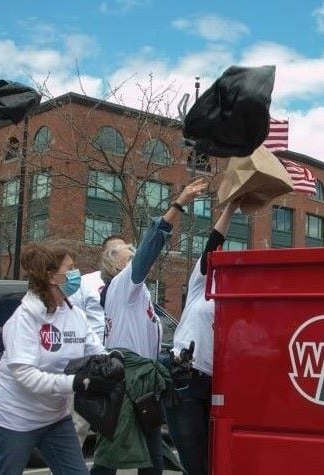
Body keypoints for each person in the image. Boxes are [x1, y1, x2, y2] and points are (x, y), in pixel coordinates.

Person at [92, 178, 207, 475]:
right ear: (115, 266)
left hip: (143, 384)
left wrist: (171, 360)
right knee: (111, 457)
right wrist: (178, 203)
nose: (136, 260)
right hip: (128, 383)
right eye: (128, 257)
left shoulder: (138, 293)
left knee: (149, 456)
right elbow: (150, 245)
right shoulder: (122, 285)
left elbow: (145, 342)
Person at [0, 243, 107, 475]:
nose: (76, 274)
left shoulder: (75, 315)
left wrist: (113, 362)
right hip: (15, 418)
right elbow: (26, 375)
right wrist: (74, 383)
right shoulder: (24, 319)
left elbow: (97, 352)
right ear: (52, 276)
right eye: (70, 268)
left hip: (55, 417)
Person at [167, 201, 239, 475]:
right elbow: (213, 243)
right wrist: (230, 210)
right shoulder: (202, 285)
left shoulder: (236, 300)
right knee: (194, 460)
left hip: (217, 383)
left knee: (216, 458)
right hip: (185, 377)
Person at [70, 234, 123, 440]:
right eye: (114, 252)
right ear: (104, 256)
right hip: (93, 363)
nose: (119, 257)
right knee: (79, 424)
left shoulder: (132, 285)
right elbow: (74, 318)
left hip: (118, 363)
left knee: (114, 424)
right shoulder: (86, 283)